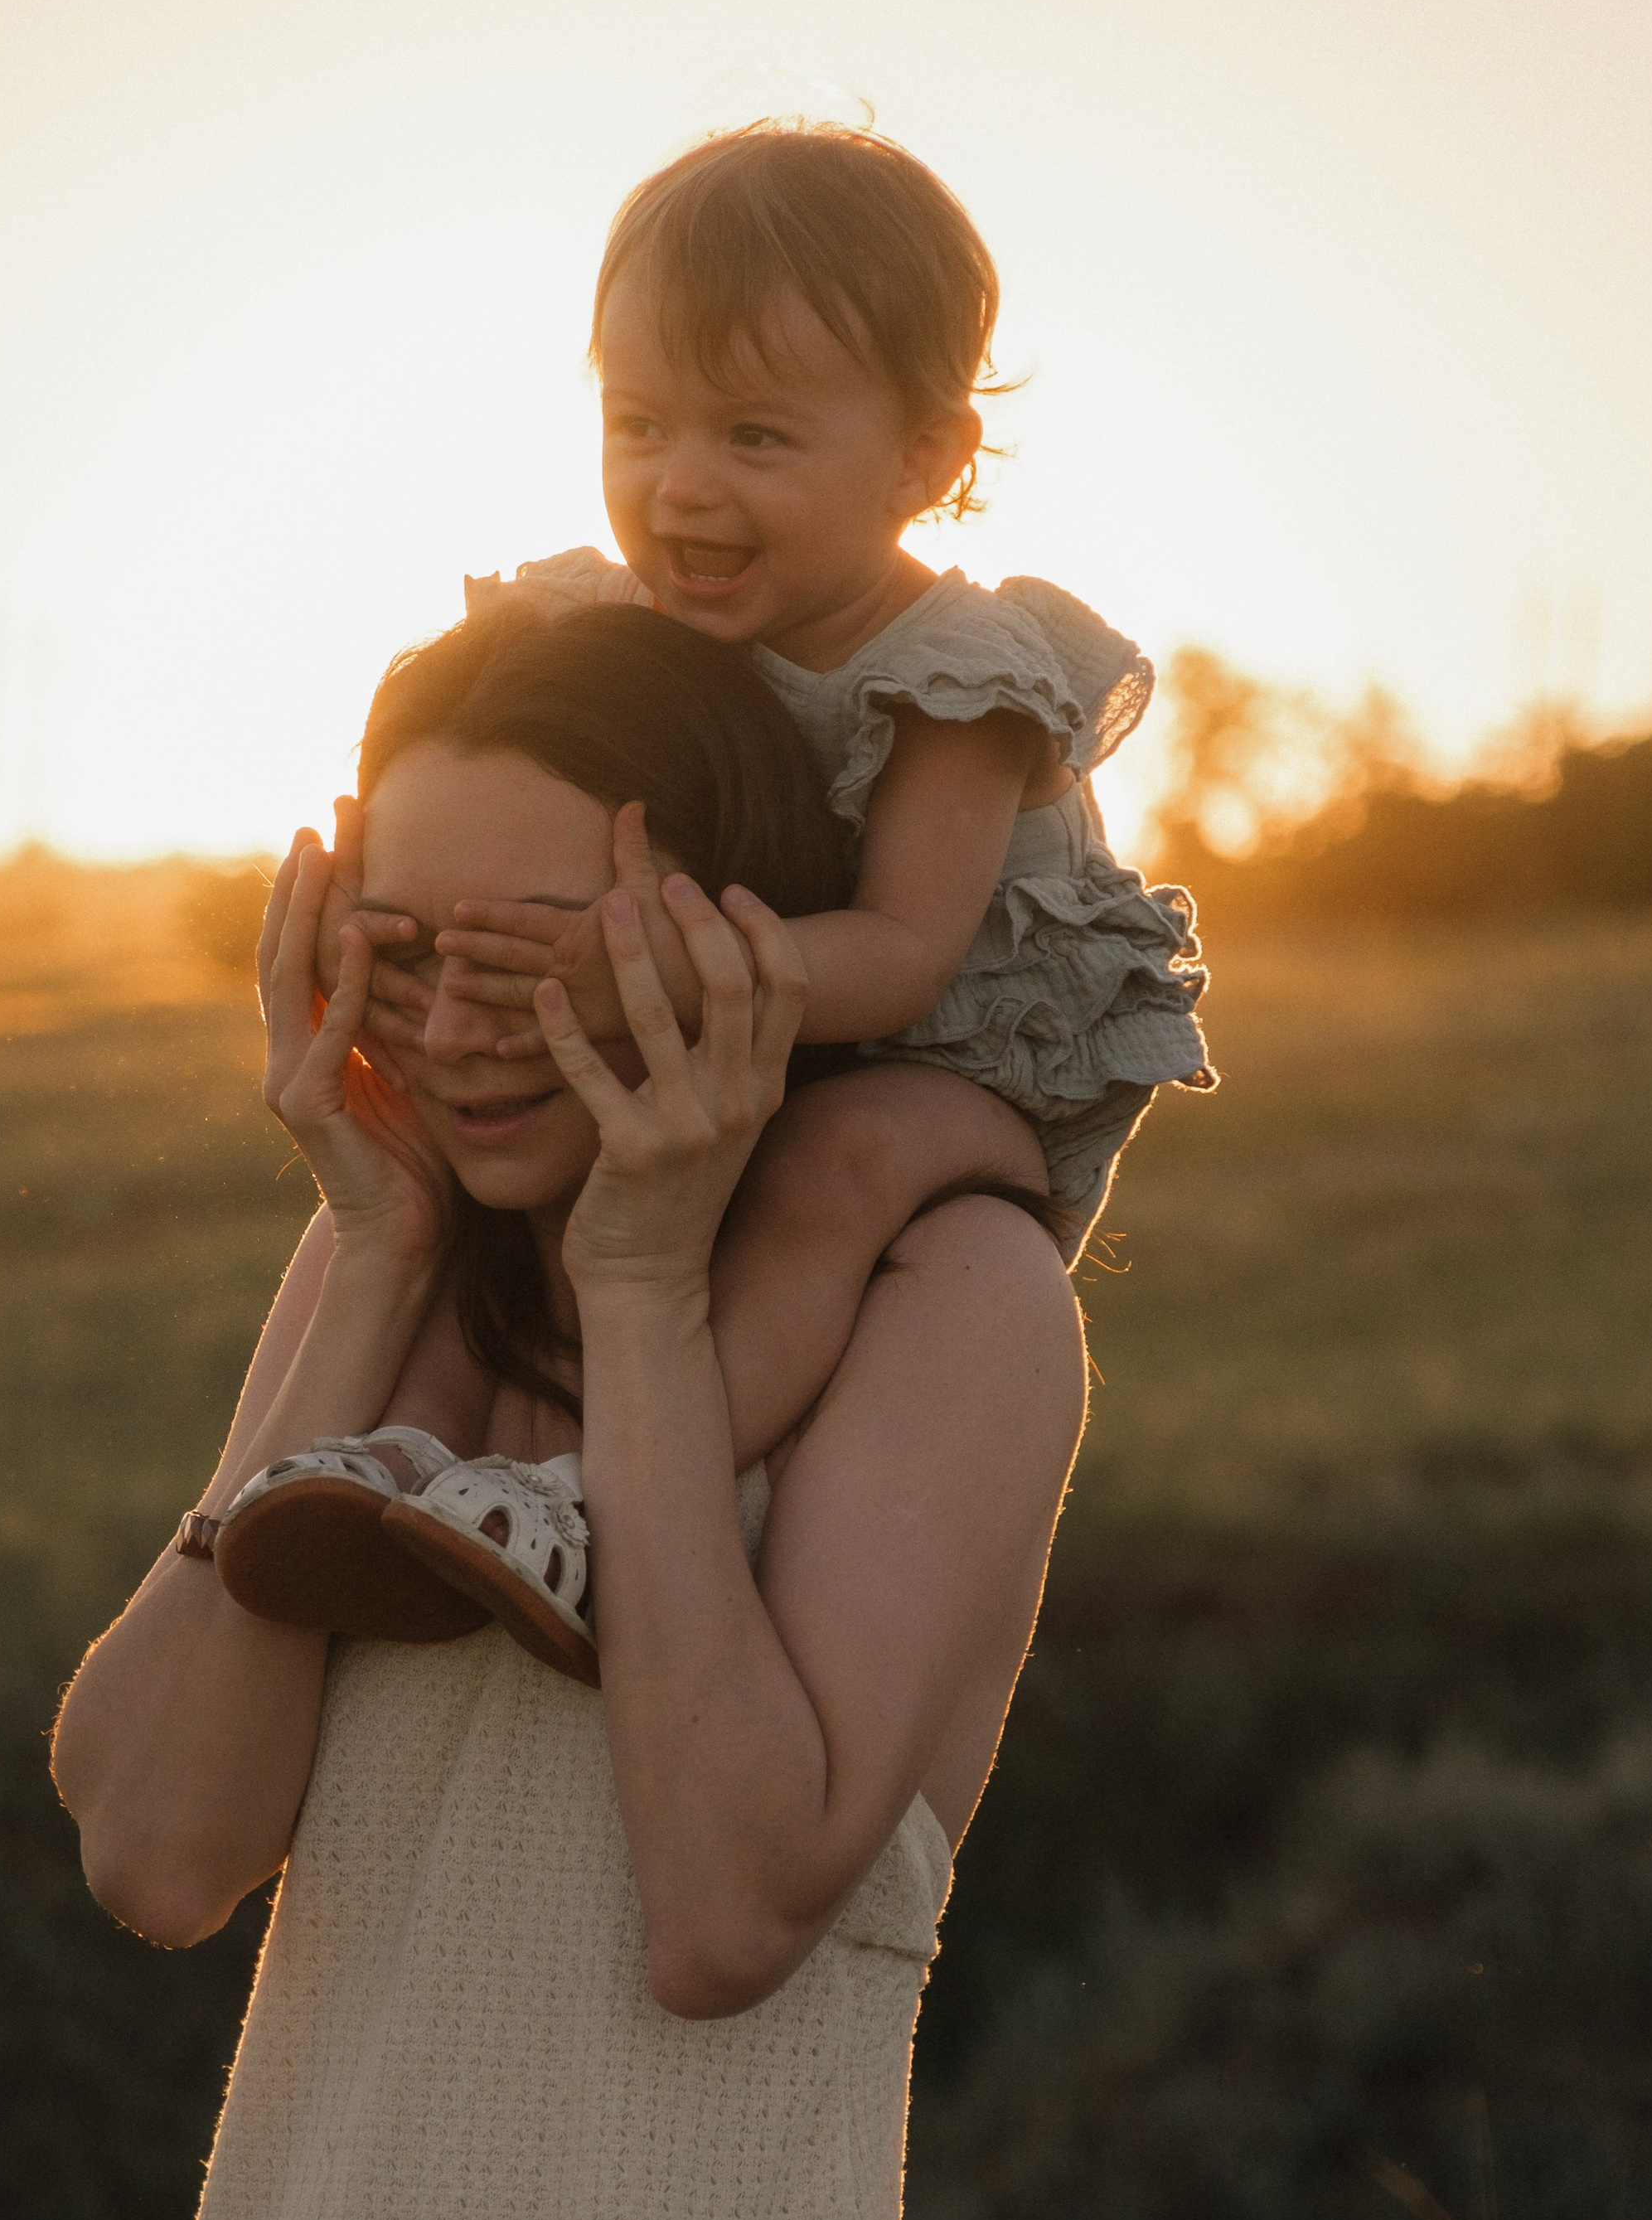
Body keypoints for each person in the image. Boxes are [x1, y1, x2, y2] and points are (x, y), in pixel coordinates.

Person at [55, 602, 1088, 2220]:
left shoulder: (952, 1294)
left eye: (532, 956)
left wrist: (636, 1290)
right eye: (392, 950)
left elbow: (721, 1915)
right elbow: (156, 1847)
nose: (452, 1025)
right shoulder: (387, 1270)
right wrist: (385, 1256)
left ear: (730, 931)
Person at [224, 121, 1209, 1671]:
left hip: (960, 1060)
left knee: (822, 1177)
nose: (681, 490)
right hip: (750, 1015)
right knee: (488, 1207)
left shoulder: (959, 678)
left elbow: (895, 957)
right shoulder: (620, 623)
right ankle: (391, 1464)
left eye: (756, 438)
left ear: (926, 460)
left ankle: (595, 1504)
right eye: (642, 425)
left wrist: (653, 971)